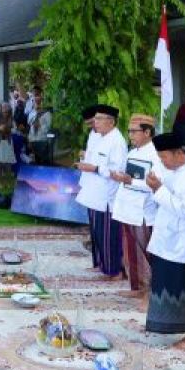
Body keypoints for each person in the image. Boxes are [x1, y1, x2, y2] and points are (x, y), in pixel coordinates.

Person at [144, 132, 185, 349]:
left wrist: (159, 189)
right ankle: (164, 323)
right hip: (164, 237)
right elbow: (162, 197)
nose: (162, 162)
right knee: (163, 284)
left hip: (182, 241)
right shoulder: (169, 170)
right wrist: (157, 186)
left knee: (184, 287)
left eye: (165, 157)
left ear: (180, 153)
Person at [109, 114, 161, 298]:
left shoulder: (156, 155)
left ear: (147, 132)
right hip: (127, 208)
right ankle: (136, 287)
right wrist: (121, 177)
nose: (130, 135)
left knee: (144, 251)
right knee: (130, 251)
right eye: (129, 131)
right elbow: (128, 178)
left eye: (134, 131)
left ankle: (147, 288)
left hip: (143, 211)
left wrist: (130, 181)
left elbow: (156, 185)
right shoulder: (132, 153)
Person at [75, 105, 127, 279]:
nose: (94, 123)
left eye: (98, 119)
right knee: (96, 233)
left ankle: (114, 270)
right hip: (93, 193)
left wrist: (94, 168)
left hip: (106, 196)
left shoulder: (117, 141)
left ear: (110, 122)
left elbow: (117, 171)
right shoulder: (101, 137)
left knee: (107, 235)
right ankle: (101, 265)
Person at [28, 101, 53, 166]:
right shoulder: (32, 114)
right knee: (37, 161)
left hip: (42, 140)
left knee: (44, 162)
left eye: (39, 104)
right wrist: (30, 140)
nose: (37, 106)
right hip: (34, 140)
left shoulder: (47, 114)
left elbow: (48, 127)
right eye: (36, 104)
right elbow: (30, 128)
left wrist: (40, 126)